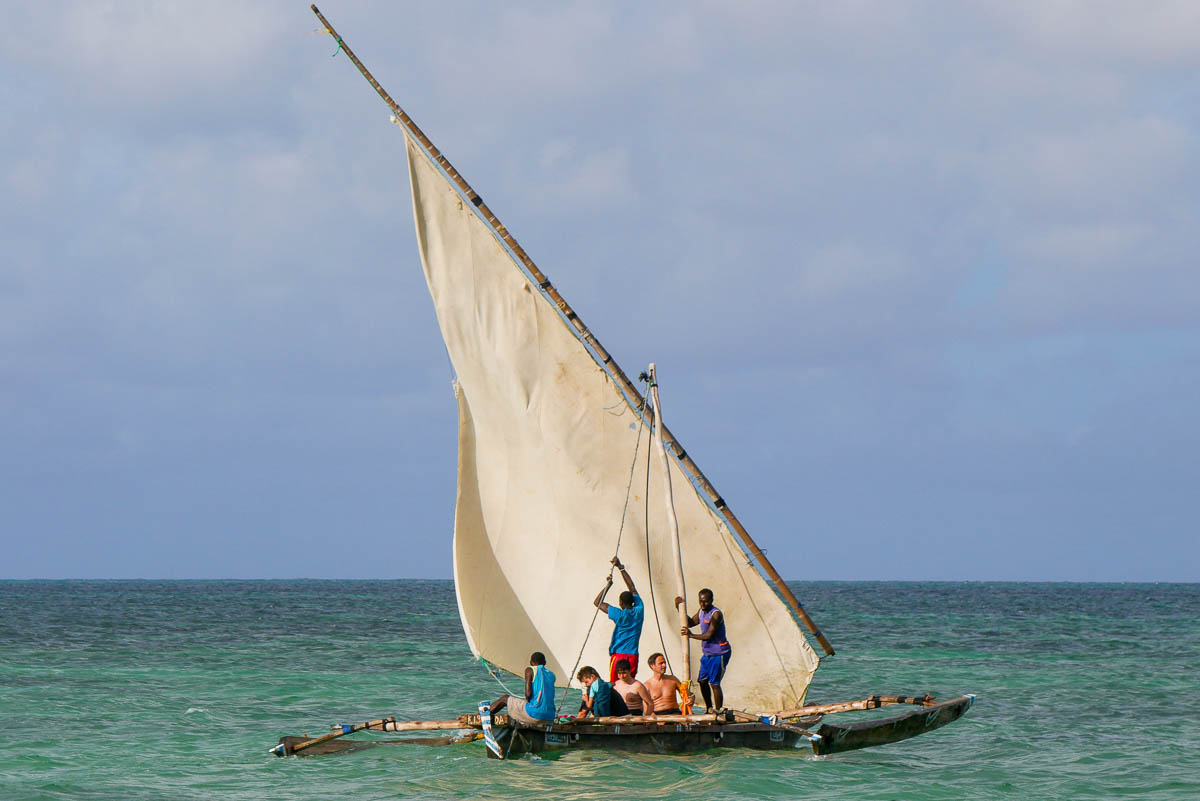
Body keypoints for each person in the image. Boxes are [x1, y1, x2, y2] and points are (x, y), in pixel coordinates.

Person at [677, 588, 732, 711]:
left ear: (711, 600)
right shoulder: (701, 611)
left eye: (705, 602)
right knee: (702, 681)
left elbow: (709, 635)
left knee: (714, 683)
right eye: (700, 601)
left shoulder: (716, 614)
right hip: (707, 654)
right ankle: (709, 708)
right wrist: (678, 608)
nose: (702, 604)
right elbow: (690, 622)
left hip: (719, 653)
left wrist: (690, 635)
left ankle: (718, 711)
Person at [593, 556, 645, 681]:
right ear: (633, 602)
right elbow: (632, 588)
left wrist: (608, 585)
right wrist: (620, 568)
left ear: (621, 603)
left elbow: (597, 602)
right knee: (630, 684)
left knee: (615, 685)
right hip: (633, 656)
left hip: (619, 656)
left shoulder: (619, 614)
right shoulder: (639, 610)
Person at [489, 651, 556, 725]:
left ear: (531, 662)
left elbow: (528, 694)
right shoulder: (552, 675)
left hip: (535, 714)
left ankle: (481, 716)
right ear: (545, 663)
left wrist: (529, 702)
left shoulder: (530, 669)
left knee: (504, 699)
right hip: (550, 717)